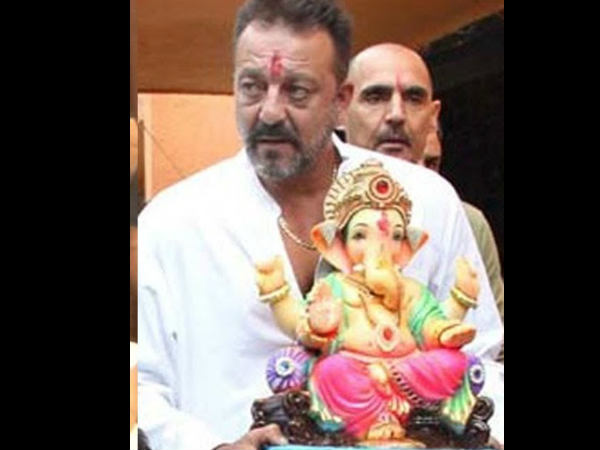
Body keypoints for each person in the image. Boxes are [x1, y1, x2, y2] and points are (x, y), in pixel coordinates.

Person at [138, 2, 503, 450]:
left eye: (297, 91)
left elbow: (482, 360)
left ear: (341, 101)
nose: (270, 112)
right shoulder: (174, 221)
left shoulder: (427, 201)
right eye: (252, 87)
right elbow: (145, 386)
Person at [341, 42, 504, 444]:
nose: (396, 114)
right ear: (340, 107)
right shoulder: (313, 203)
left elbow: (483, 349)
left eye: (413, 98)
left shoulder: (459, 217)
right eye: (376, 97)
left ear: (433, 116)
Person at [422, 126, 504, 340]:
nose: (422, 175)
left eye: (431, 164)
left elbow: (497, 340)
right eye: (409, 164)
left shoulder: (470, 221)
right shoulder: (347, 215)